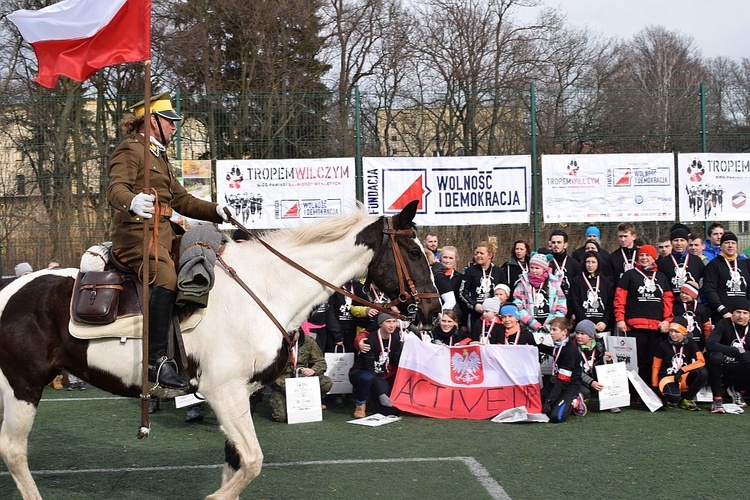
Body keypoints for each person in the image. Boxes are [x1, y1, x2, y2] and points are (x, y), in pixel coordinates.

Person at [107, 91, 229, 390]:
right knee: (166, 278)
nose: (174, 128)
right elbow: (115, 189)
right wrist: (132, 201)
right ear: (152, 120)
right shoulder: (130, 150)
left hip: (162, 233)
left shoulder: (159, 157)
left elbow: (182, 200)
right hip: (137, 236)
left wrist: (216, 210)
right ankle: (156, 361)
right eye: (170, 121)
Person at [613, 244, 674, 384]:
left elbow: (668, 300)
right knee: (636, 361)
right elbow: (619, 299)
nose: (644, 258)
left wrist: (667, 320)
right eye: (641, 255)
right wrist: (620, 318)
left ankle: (651, 389)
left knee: (653, 361)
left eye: (648, 255)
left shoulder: (661, 277)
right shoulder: (629, 275)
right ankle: (636, 392)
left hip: (656, 327)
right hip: (635, 326)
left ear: (654, 258)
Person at [268, 331, 333, 423]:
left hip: (303, 380)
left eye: (293, 333)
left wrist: (313, 370)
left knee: (327, 382)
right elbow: (269, 370)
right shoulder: (276, 342)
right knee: (281, 417)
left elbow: (321, 362)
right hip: (283, 382)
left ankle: (313, 402)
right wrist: (285, 386)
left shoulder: (308, 341)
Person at [349, 313, 404, 418]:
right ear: (380, 324)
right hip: (361, 372)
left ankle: (372, 400)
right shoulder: (371, 340)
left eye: (394, 321)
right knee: (367, 378)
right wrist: (380, 393)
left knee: (392, 411)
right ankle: (360, 404)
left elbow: (396, 360)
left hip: (378, 375)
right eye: (388, 322)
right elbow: (370, 369)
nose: (392, 325)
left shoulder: (395, 338)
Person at [652, 316, 708, 411]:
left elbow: (701, 361)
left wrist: (682, 370)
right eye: (671, 331)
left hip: (683, 376)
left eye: (677, 332)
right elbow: (656, 366)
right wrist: (654, 386)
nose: (673, 335)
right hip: (668, 378)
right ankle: (671, 398)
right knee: (674, 399)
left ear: (684, 332)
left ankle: (688, 399)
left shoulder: (690, 343)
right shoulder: (663, 344)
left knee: (703, 372)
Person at [706, 299, 750, 414]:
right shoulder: (723, 323)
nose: (741, 316)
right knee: (716, 357)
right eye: (738, 312)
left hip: (741, 365)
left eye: (745, 313)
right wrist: (734, 351)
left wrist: (745, 353)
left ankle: (739, 391)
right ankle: (717, 399)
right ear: (732, 313)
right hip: (724, 364)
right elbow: (711, 343)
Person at [536, 317, 584, 423]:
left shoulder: (570, 351)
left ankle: (576, 400)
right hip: (557, 383)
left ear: (564, 332)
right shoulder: (559, 346)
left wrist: (549, 401)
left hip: (569, 386)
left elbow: (563, 381)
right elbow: (551, 350)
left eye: (554, 330)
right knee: (535, 405)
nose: (551, 333)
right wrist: (534, 346)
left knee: (555, 417)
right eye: (551, 330)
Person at [702, 231, 750, 325]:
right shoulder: (713, 265)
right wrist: (722, 310)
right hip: (723, 315)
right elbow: (709, 290)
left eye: (733, 243)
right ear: (721, 246)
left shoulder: (743, 264)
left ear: (737, 246)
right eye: (727, 243)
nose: (730, 246)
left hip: (743, 316)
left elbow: (748, 288)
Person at [513, 252, 567, 335]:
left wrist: (551, 324)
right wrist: (531, 322)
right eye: (532, 268)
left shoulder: (554, 283)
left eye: (537, 268)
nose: (534, 271)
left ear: (544, 269)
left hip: (550, 329)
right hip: (528, 329)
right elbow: (518, 305)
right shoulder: (522, 283)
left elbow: (561, 306)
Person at [459, 237, 505, 329]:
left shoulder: (499, 271)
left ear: (490, 255)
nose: (478, 256)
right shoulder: (470, 271)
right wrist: (474, 305)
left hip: (494, 313)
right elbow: (462, 293)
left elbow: (504, 291)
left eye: (481, 253)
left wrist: (498, 304)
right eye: (476, 253)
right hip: (475, 313)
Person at [574, 320, 619, 413]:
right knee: (584, 391)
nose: (578, 336)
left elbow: (606, 367)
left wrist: (609, 360)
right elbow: (575, 370)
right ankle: (577, 402)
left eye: (582, 334)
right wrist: (591, 382)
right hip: (580, 379)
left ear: (591, 336)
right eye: (577, 333)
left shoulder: (599, 345)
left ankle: (611, 402)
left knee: (610, 378)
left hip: (595, 376)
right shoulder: (573, 347)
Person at [568, 251, 615, 334]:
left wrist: (605, 321)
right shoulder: (577, 281)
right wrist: (587, 322)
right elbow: (574, 303)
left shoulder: (606, 282)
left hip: (602, 326)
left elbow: (610, 303)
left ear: (598, 263)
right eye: (587, 262)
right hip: (583, 325)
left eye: (593, 262)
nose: (590, 265)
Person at [657, 225, 704, 297]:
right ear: (671, 243)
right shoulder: (663, 262)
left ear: (687, 242)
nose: (679, 243)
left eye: (682, 240)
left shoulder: (696, 260)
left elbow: (702, 283)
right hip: (673, 302)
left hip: (693, 302)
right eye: (676, 240)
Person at [672, 280, 711, 351]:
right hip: (680, 340)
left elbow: (706, 325)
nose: (683, 295)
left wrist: (708, 340)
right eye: (682, 292)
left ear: (694, 296)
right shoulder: (676, 306)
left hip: (698, 340)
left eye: (687, 294)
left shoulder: (701, 307)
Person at [548, 229, 581, 301]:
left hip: (569, 303)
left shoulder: (574, 264)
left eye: (559, 242)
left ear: (565, 245)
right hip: (551, 302)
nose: (556, 245)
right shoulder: (546, 262)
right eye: (553, 242)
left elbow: (578, 287)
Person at [440, 246, 466, 324]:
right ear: (440, 258)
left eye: (451, 258)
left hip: (455, 317)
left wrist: (463, 323)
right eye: (445, 257)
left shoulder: (461, 278)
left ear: (455, 260)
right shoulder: (433, 276)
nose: (447, 261)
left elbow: (462, 301)